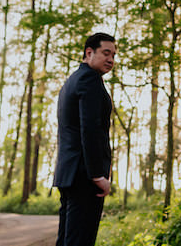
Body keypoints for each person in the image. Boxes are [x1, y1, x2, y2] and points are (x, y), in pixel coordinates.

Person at [53, 32, 117, 246]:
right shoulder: (90, 79)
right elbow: (89, 129)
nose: (111, 60)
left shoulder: (73, 79)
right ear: (89, 52)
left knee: (67, 240)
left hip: (69, 172)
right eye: (106, 53)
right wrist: (97, 174)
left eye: (114, 55)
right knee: (80, 240)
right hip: (84, 175)